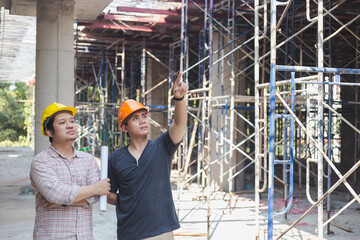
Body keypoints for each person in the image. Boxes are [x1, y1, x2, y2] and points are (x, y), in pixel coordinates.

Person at [107, 73, 188, 240]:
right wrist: (131, 199)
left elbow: (179, 124)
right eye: (135, 118)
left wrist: (179, 99)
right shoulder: (115, 158)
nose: (143, 121)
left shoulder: (163, 146)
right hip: (129, 233)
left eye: (144, 116)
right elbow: (109, 195)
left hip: (161, 232)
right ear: (124, 128)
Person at [30, 102, 111, 239]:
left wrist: (57, 202)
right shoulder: (41, 162)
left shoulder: (88, 160)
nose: (70, 125)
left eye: (72, 121)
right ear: (49, 131)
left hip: (84, 236)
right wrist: (95, 188)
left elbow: (97, 197)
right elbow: (56, 194)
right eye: (62, 122)